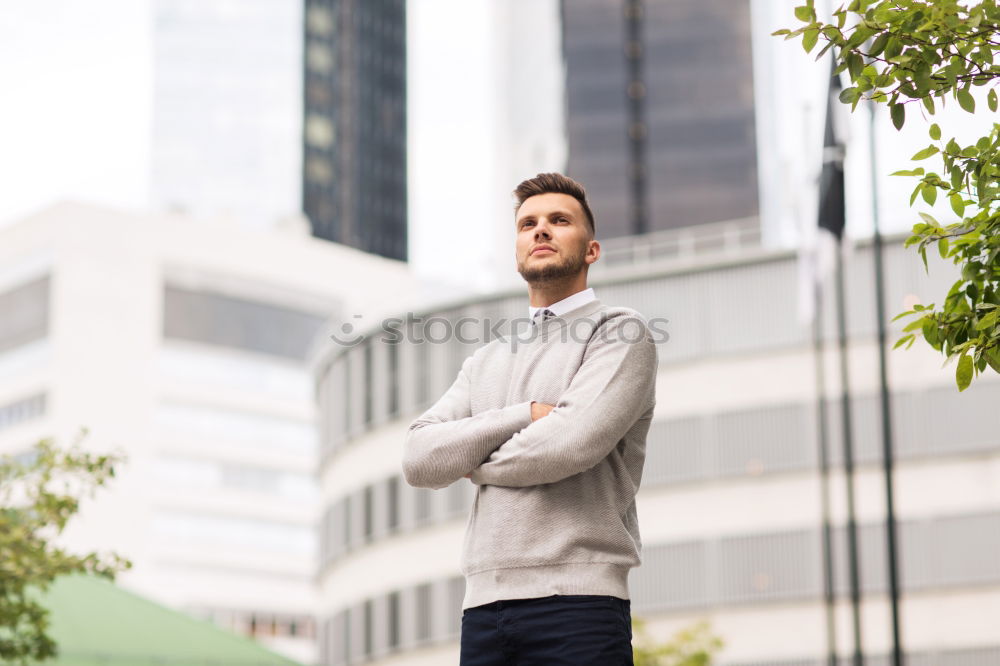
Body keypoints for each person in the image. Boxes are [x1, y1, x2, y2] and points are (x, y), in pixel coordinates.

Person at [402, 172, 658, 665]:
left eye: (559, 221)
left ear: (591, 250)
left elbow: (568, 445)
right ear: (518, 248)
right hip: (482, 609)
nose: (541, 231)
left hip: (580, 606)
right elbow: (419, 459)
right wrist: (524, 415)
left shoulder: (619, 333)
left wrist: (473, 462)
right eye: (528, 224)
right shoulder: (485, 361)